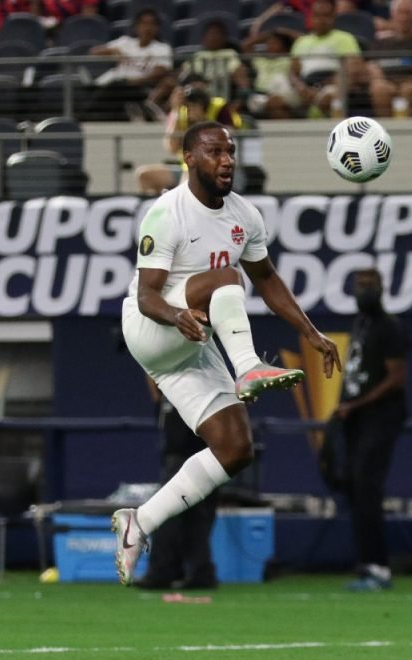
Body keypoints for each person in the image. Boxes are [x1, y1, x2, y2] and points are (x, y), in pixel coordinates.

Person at [113, 120, 341, 586]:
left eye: (230, 152)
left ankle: (139, 522)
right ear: (189, 158)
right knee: (225, 277)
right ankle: (249, 366)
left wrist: (310, 332)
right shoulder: (167, 212)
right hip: (152, 328)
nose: (227, 161)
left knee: (235, 449)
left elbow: (269, 280)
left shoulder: (245, 216)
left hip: (192, 344)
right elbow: (147, 296)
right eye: (215, 152)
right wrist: (176, 316)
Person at [334, 268, 409, 592]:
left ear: (382, 288)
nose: (365, 291)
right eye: (360, 285)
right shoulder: (360, 324)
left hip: (380, 416)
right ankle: (366, 563)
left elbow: (396, 378)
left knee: (368, 486)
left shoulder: (390, 327)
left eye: (371, 285)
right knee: (355, 486)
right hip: (356, 418)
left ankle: (378, 566)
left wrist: (357, 403)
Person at [136, 378, 219, 590]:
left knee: (167, 513)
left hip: (193, 456)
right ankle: (200, 573)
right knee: (194, 517)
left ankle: (162, 572)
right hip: (185, 456)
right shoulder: (166, 391)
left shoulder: (193, 384)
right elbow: (155, 390)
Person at [136, 83, 243, 195]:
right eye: (188, 105)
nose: (190, 110)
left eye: (195, 105)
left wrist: (202, 121)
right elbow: (172, 148)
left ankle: (181, 202)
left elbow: (229, 137)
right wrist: (176, 111)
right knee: (144, 175)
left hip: (217, 172)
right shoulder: (182, 115)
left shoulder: (218, 113)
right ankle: (161, 205)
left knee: (192, 174)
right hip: (185, 169)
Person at [89, 8, 173, 121]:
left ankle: (86, 117)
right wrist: (113, 50)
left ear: (157, 28)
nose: (148, 28)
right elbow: (93, 52)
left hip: (140, 87)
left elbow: (160, 72)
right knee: (104, 90)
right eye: (144, 23)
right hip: (117, 85)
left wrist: (134, 81)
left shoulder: (162, 48)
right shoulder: (125, 42)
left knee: (113, 89)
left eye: (152, 24)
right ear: (136, 27)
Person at [366, 0, 412, 118]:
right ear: (393, 15)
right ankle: (385, 128)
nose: (404, 18)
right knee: (380, 88)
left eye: (408, 13)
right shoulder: (381, 41)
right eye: (400, 13)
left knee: (407, 90)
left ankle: (406, 129)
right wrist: (376, 75)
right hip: (386, 81)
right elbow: (370, 64)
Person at [179, 18, 249, 104]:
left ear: (224, 37)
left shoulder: (230, 53)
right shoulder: (197, 55)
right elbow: (183, 75)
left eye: (218, 34)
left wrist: (239, 101)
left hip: (223, 94)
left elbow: (239, 73)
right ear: (203, 38)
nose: (213, 37)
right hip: (199, 97)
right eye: (210, 34)